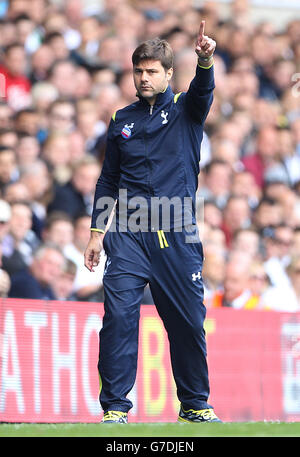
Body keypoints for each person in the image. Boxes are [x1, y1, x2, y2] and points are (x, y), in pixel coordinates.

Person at [84, 21, 221, 424]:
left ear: (167, 74)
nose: (143, 78)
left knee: (188, 323)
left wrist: (206, 59)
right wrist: (96, 233)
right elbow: (108, 178)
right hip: (127, 234)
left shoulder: (185, 109)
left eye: (151, 71)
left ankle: (195, 404)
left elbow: (204, 91)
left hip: (175, 233)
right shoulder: (120, 118)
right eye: (138, 71)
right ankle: (114, 409)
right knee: (119, 318)